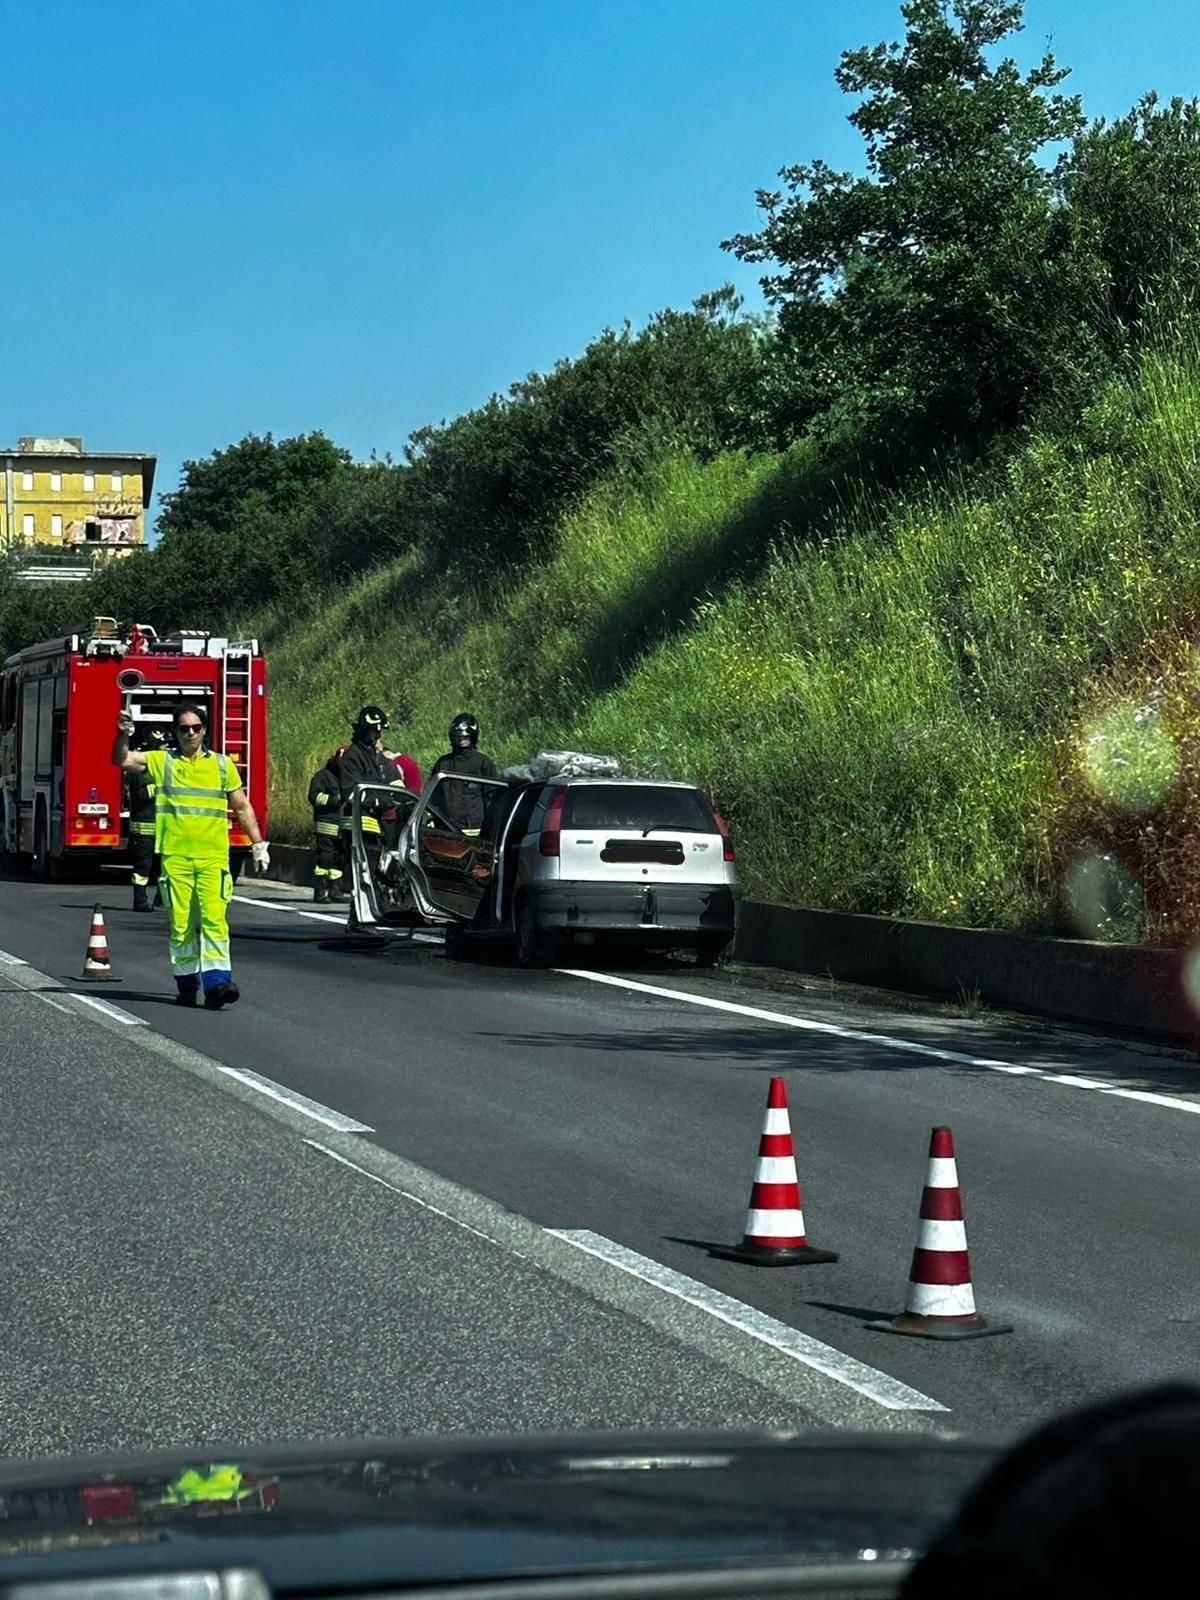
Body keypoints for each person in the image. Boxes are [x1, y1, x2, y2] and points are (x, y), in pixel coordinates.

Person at [113, 702, 268, 1009]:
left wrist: (258, 843)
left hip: (213, 859)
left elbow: (241, 806)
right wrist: (123, 734)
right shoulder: (163, 762)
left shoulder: (222, 766)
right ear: (176, 731)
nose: (190, 734)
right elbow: (121, 760)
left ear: (205, 730)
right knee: (181, 925)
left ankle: (217, 984)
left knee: (215, 922)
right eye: (184, 729)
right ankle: (186, 984)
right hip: (177, 860)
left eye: (196, 728)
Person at [431, 712, 498, 835]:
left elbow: (492, 797)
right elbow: (433, 795)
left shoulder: (482, 762)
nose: (462, 741)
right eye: (458, 737)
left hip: (475, 829)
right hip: (446, 828)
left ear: (473, 737)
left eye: (466, 737)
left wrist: (490, 825)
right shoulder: (443, 763)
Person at [127, 726, 168, 912]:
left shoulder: (163, 767)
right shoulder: (142, 768)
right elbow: (143, 794)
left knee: (164, 868)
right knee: (143, 868)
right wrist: (165, 788)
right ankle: (140, 900)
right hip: (144, 828)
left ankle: (161, 899)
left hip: (162, 828)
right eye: (163, 745)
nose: (167, 748)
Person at [307, 745, 348, 903]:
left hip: (342, 825)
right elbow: (313, 797)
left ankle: (335, 890)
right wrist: (335, 800)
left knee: (340, 858)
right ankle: (320, 892)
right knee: (326, 858)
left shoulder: (346, 778)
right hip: (326, 824)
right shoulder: (322, 776)